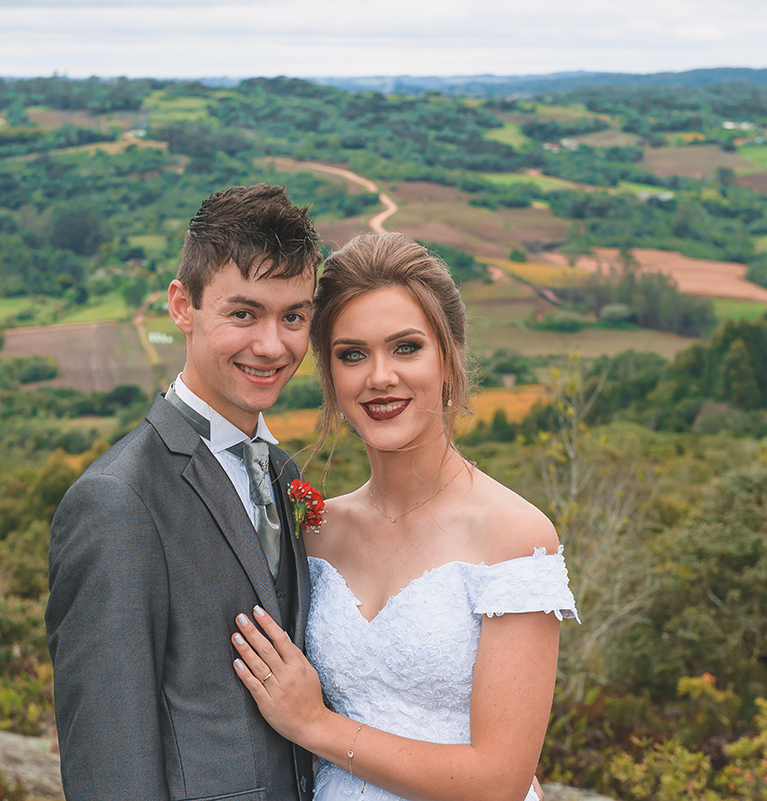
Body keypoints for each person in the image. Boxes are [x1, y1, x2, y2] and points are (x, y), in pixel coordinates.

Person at [229, 232, 578, 801]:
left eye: (406, 348)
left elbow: (500, 780)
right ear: (330, 375)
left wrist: (314, 725)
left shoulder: (514, 536)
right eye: (352, 354)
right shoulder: (315, 531)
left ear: (449, 355)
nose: (379, 377)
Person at [46, 184, 322, 801]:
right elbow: (108, 761)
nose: (273, 346)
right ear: (182, 306)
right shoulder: (116, 502)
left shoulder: (282, 471)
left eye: (294, 317)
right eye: (244, 313)